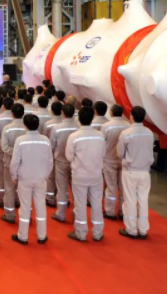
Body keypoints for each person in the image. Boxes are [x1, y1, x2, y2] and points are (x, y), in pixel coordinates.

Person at [10, 113, 53, 245]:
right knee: (41, 206)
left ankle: (23, 236)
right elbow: (50, 161)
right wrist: (46, 174)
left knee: (25, 207)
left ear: (25, 125)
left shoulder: (20, 140)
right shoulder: (45, 140)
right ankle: (42, 235)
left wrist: (14, 175)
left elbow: (15, 161)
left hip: (25, 178)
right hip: (41, 178)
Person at [65, 107, 106, 242]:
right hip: (96, 174)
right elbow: (103, 154)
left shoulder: (74, 136)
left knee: (80, 204)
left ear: (79, 119)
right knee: (97, 203)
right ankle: (98, 233)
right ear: (92, 118)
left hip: (80, 174)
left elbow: (69, 157)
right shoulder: (99, 135)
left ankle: (81, 233)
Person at [118, 106, 154, 239]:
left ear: (131, 116)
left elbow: (119, 153)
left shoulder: (126, 133)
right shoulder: (149, 133)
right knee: (143, 200)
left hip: (130, 171)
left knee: (130, 200)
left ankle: (131, 229)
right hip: (145, 172)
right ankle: (143, 230)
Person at [0, 103, 27, 223]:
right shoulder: (27, 128)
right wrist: (21, 153)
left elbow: (4, 147)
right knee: (25, 189)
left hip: (10, 161)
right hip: (25, 162)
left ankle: (10, 214)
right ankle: (26, 214)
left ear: (12, 114)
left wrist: (15, 153)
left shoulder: (7, 128)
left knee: (9, 187)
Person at [50, 103, 79, 222]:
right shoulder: (78, 127)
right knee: (76, 189)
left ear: (62, 113)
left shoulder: (56, 128)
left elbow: (52, 145)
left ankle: (61, 213)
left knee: (62, 189)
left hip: (61, 161)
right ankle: (77, 212)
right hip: (75, 162)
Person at [101, 105, 131, 220]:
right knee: (123, 187)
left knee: (111, 186)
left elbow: (102, 143)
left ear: (111, 112)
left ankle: (110, 211)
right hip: (123, 160)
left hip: (109, 160)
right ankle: (123, 211)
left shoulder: (106, 126)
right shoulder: (128, 126)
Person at [0, 97, 14, 208]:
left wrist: (3, 147)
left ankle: (1, 198)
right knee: (16, 177)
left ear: (3, 106)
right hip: (16, 152)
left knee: (1, 175)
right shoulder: (18, 119)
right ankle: (16, 198)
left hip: (1, 151)